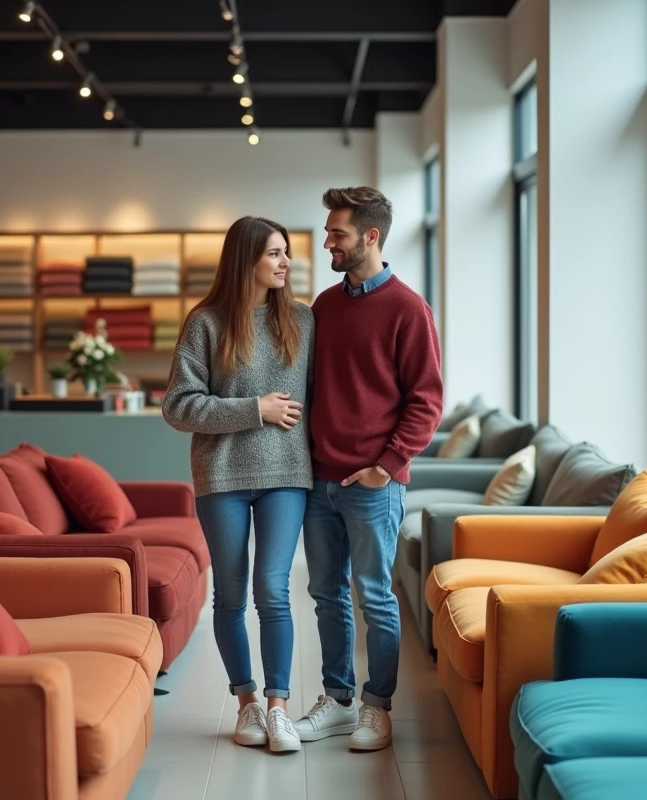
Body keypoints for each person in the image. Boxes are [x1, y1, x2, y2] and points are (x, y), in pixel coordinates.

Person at [294, 187, 444, 750]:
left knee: (374, 595)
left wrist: (388, 465)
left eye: (338, 233)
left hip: (372, 485)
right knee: (326, 594)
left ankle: (376, 707)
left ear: (371, 236)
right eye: (329, 231)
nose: (328, 241)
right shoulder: (326, 307)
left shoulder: (408, 308)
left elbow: (426, 400)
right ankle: (337, 701)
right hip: (319, 482)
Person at [161, 216, 314, 754]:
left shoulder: (303, 321)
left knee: (272, 589)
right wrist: (257, 409)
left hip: (287, 475)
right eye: (274, 253)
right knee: (229, 594)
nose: (284, 263)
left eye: (285, 253)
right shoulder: (204, 323)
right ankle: (245, 700)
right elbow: (178, 406)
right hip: (222, 476)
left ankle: (278, 708)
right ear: (245, 258)